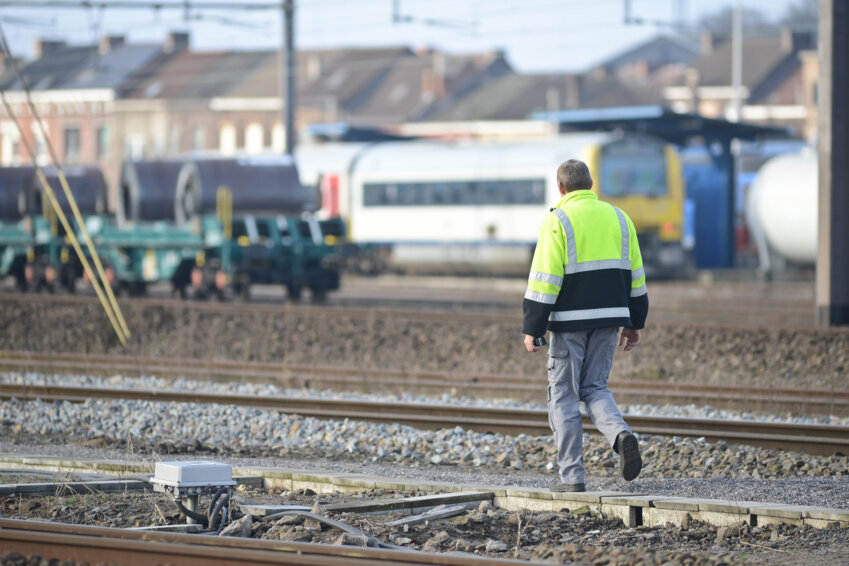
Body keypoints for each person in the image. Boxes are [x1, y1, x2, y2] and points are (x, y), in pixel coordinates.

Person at [522, 159, 648, 493]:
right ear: (591, 185)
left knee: (563, 396)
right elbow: (636, 276)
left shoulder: (557, 220)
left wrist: (533, 326)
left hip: (568, 325)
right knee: (595, 388)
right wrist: (634, 323)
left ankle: (572, 478)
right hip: (610, 321)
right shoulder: (620, 218)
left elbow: (544, 280)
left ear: (561, 188)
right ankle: (621, 436)